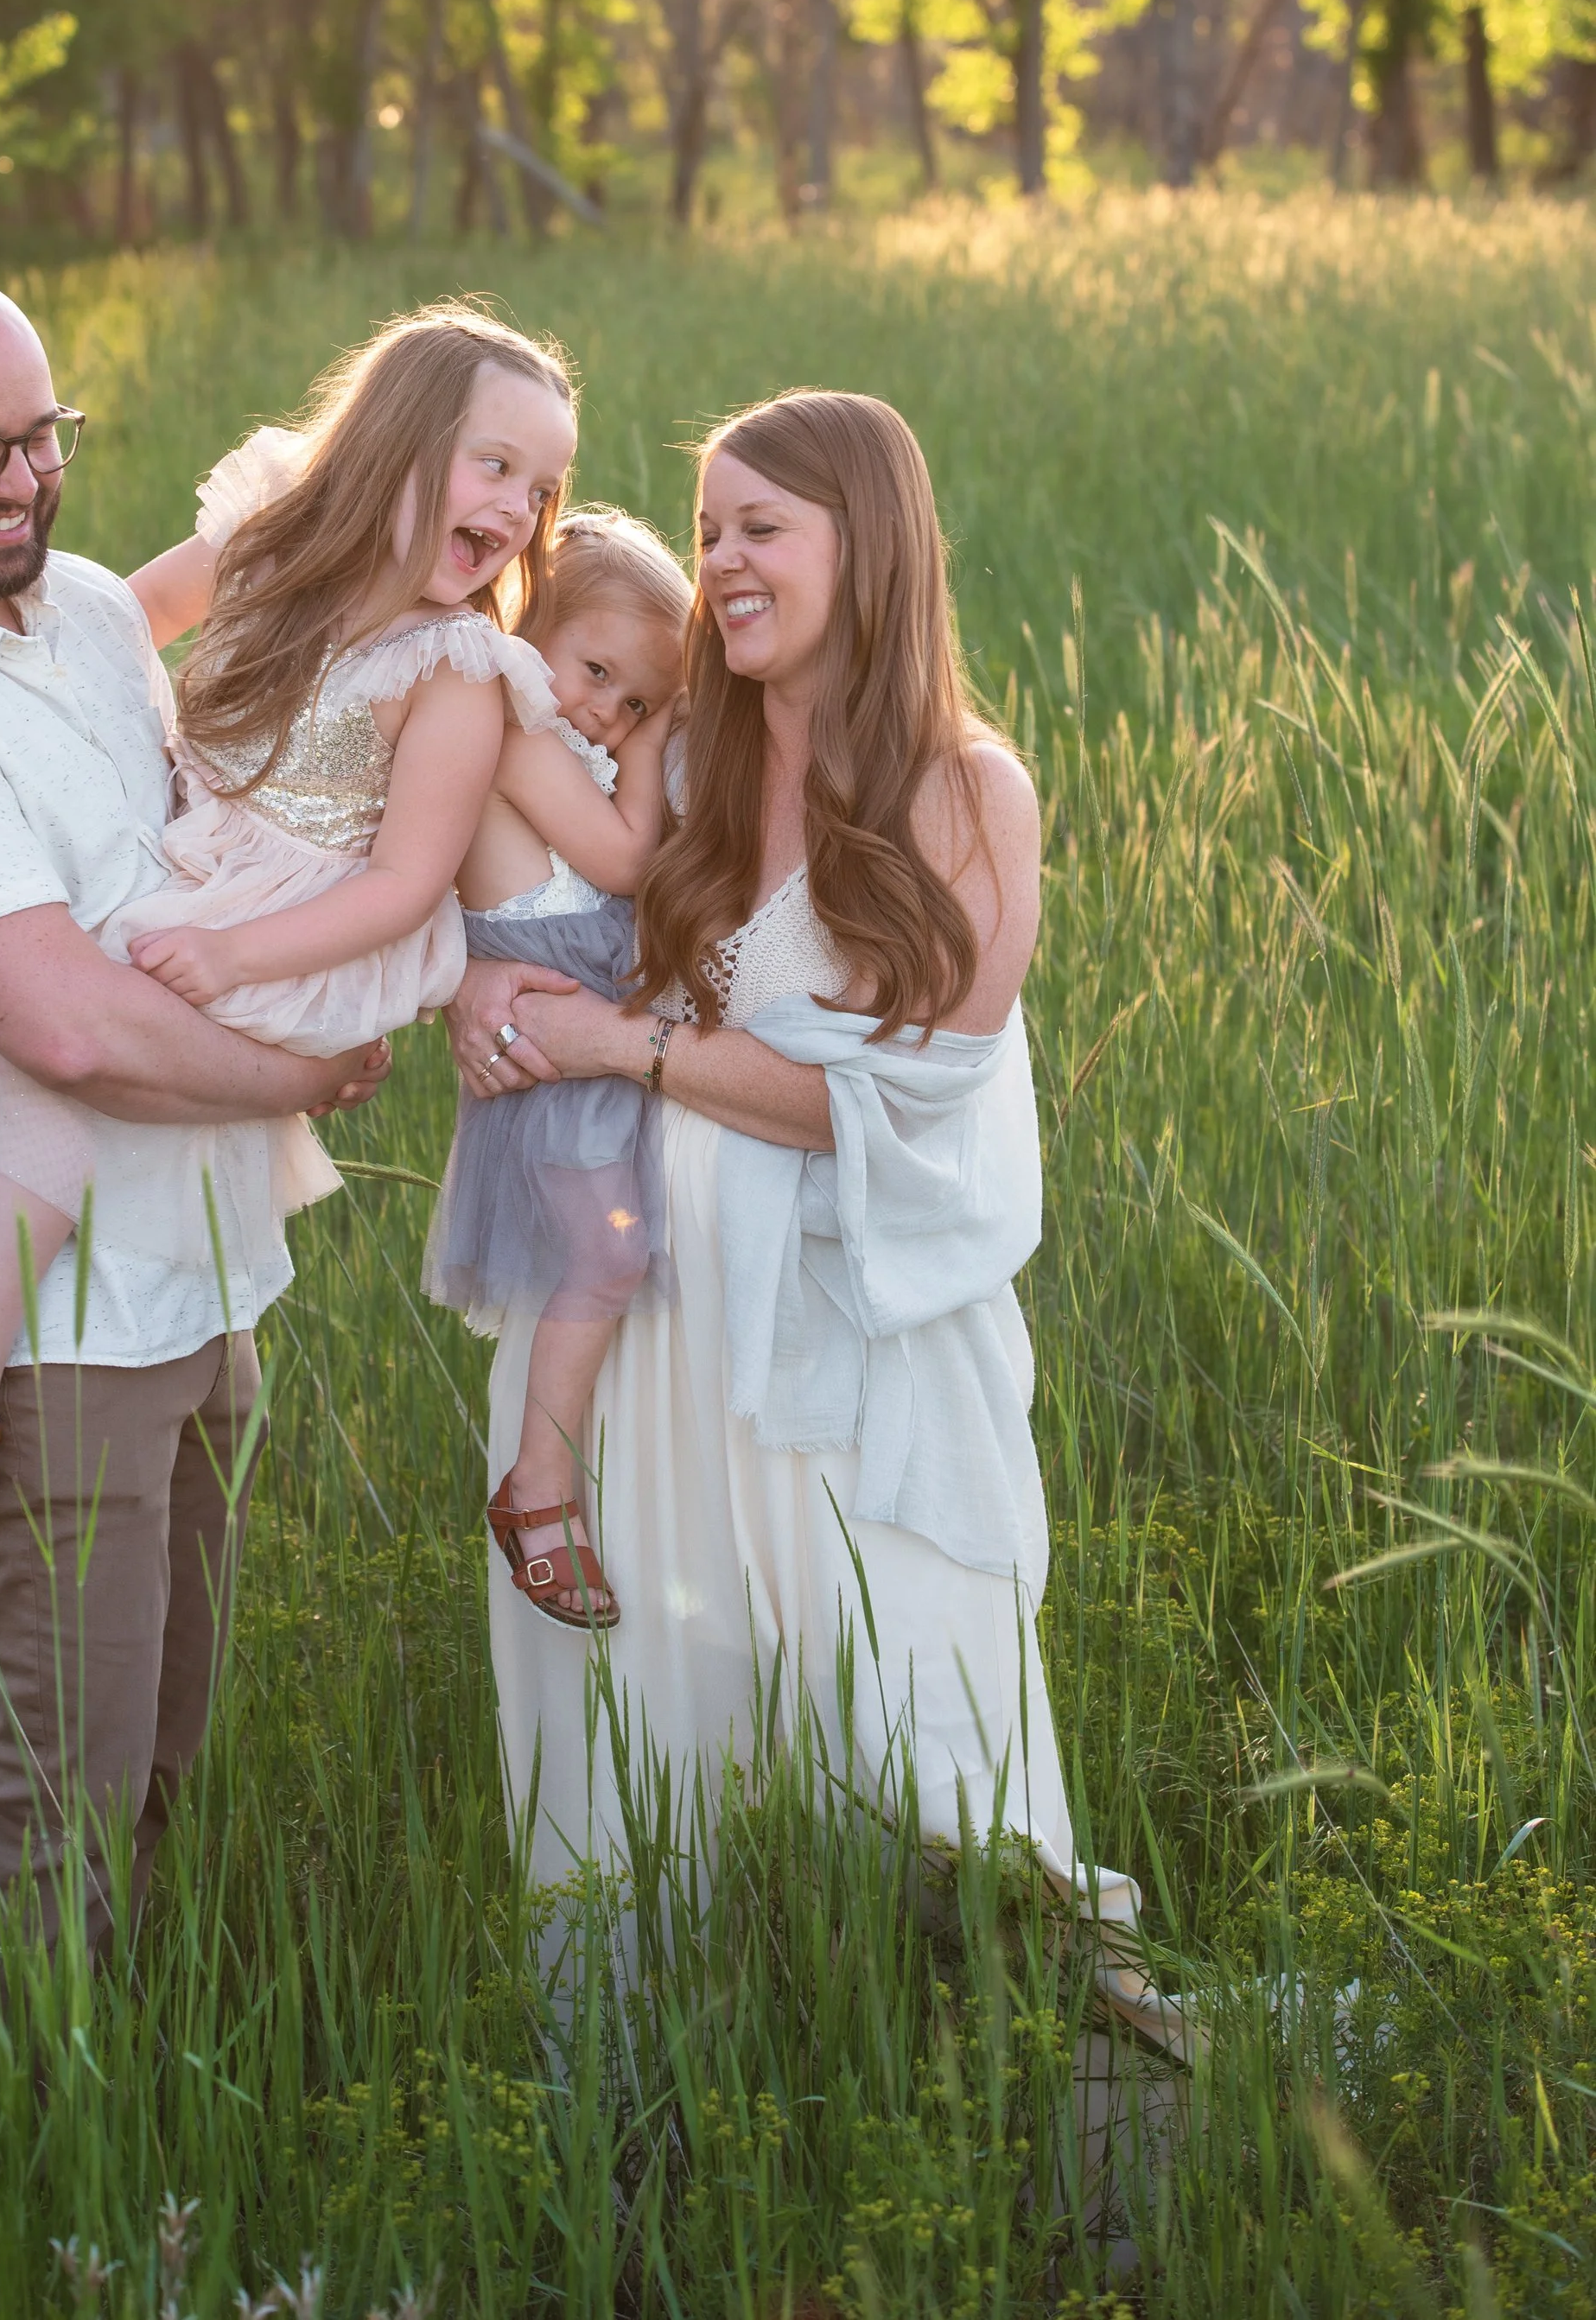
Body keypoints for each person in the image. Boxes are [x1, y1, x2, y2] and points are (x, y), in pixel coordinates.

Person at [445, 391, 1188, 2056]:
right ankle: (659, 2109)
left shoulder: (964, 793)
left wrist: (628, 1045)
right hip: (642, 1334)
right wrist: (478, 986)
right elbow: (533, 906)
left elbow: (905, 1113)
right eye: (709, 529)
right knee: (653, 1744)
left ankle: (1027, 2081)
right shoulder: (678, 752)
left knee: (915, 1718)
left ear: (873, 543)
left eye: (759, 526)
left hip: (853, 1348)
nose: (720, 561)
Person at [0, 264, 391, 1996]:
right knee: (61, 1792)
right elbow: (64, 1026)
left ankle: (139, 2090)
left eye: (42, 436)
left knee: (161, 1741)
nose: (19, 480)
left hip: (183, 1270)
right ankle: (14, 2175)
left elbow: (223, 603)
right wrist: (305, 1074)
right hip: (42, 1330)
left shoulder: (79, 607)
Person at [0, 301, 579, 1542]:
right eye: (494, 465)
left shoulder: (440, 661)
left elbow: (414, 874)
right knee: (68, 1041)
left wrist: (303, 956)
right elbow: (105, 646)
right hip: (92, 1262)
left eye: (543, 487)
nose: (517, 510)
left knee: (71, 1047)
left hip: (263, 1059)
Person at [425, 509, 692, 1630]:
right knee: (607, 1264)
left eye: (632, 700)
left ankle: (558, 1476)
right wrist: (648, 744)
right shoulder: (513, 730)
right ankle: (540, 1483)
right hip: (557, 1062)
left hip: (586, 1052)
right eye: (594, 672)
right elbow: (631, 857)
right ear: (523, 617)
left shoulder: (544, 733)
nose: (605, 712)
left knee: (612, 1260)